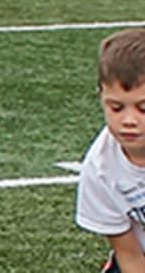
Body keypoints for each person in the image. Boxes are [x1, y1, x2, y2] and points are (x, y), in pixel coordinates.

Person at [77, 28, 145, 272]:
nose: (129, 120)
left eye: (143, 109)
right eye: (116, 108)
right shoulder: (100, 169)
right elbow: (130, 255)